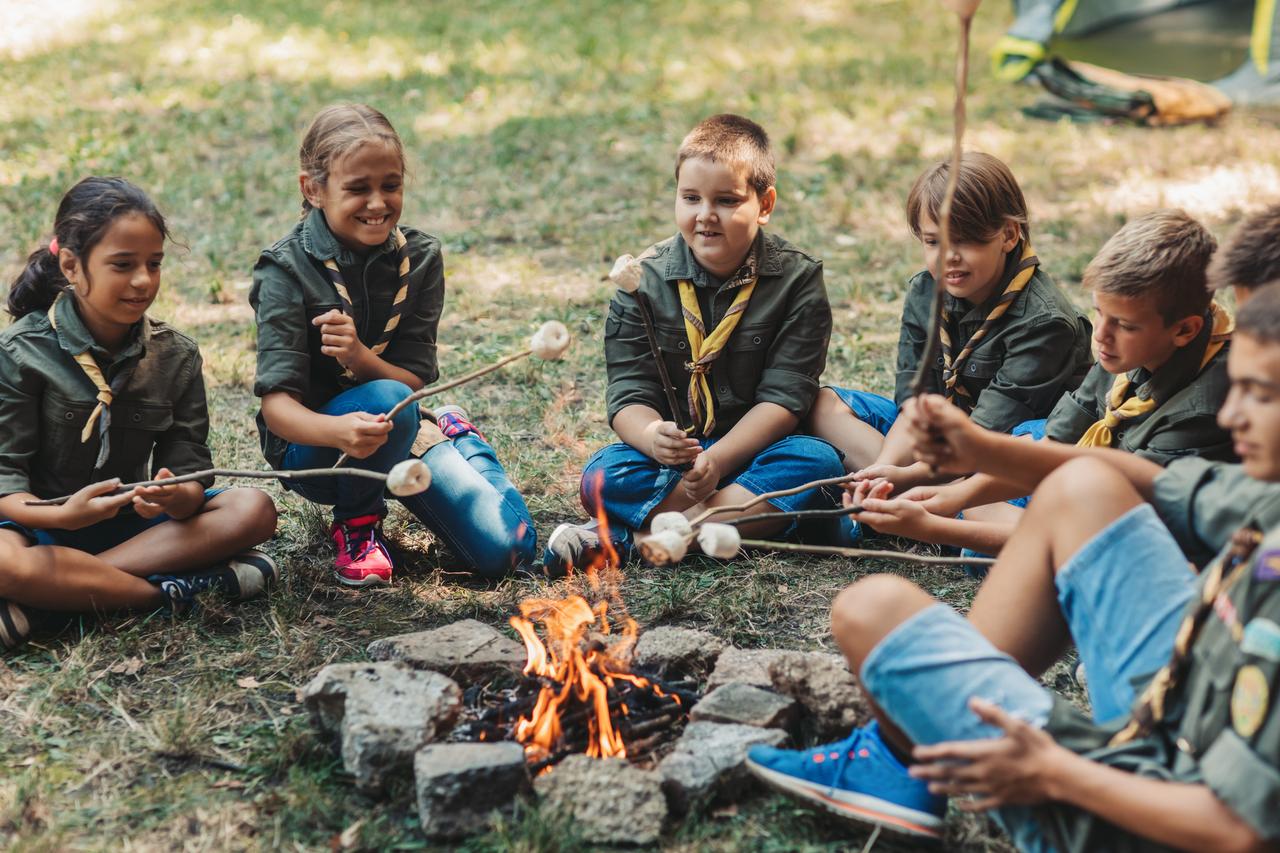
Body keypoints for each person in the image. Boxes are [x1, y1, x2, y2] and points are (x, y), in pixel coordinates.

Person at [746, 285, 1280, 851]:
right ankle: (900, 757)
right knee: (1082, 484)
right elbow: (1151, 481)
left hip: (1156, 806)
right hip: (1183, 691)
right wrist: (976, 454)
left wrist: (1054, 771)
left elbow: (1239, 832)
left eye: (1261, 394)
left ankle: (903, 756)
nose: (1230, 413)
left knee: (871, 610)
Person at [250, 103, 536, 585]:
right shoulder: (285, 269)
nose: (378, 203)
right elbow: (278, 410)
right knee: (386, 400)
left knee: (507, 551)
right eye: (357, 188)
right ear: (313, 189)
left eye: (391, 185)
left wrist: (359, 356)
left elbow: (413, 383)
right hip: (315, 449)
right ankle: (358, 525)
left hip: (398, 422)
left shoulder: (419, 257)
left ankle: (460, 440)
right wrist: (339, 432)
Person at [544, 114, 843, 573]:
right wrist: (652, 437)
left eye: (726, 200)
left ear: (764, 204)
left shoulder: (797, 279)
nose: (705, 215)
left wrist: (719, 461)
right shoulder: (642, 282)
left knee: (817, 462)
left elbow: (786, 398)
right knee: (602, 476)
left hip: (756, 452)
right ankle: (741, 523)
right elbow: (628, 392)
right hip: (675, 465)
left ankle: (633, 540)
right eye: (690, 198)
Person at [851, 210, 1235, 558]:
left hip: (1138, 535)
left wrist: (934, 526)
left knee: (984, 547)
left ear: (1184, 330)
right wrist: (951, 496)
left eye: (1124, 325)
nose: (1101, 335)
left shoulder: (1202, 410)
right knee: (1012, 457)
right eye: (1099, 312)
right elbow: (1057, 443)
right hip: (1091, 487)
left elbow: (1105, 533)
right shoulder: (1130, 348)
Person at [0, 177, 279, 649]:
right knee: (5, 563)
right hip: (36, 529)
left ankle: (54, 597)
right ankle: (169, 596)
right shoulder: (20, 351)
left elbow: (190, 471)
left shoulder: (176, 356)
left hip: (130, 533)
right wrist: (63, 516)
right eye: (123, 265)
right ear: (71, 265)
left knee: (253, 509)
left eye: (154, 263)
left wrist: (175, 497)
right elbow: (5, 481)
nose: (143, 280)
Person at [808, 152, 1092, 500]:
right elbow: (916, 403)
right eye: (933, 241)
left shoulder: (1045, 322)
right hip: (942, 440)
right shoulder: (925, 290)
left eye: (966, 239)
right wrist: (883, 471)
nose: (948, 256)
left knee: (1020, 450)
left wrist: (906, 476)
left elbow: (988, 434)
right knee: (824, 406)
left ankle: (936, 501)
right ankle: (909, 496)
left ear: (1008, 234)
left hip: (1004, 451)